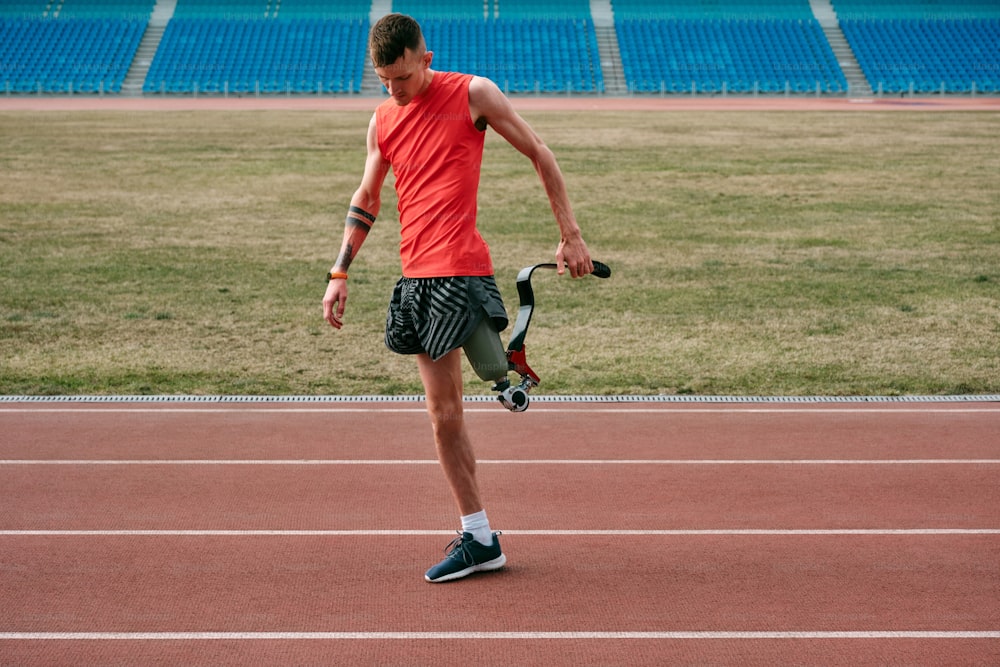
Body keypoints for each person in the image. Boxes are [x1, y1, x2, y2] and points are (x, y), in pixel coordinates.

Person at [322, 13, 593, 583]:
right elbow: (367, 196)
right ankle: (479, 537)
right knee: (443, 416)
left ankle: (506, 377)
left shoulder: (472, 92)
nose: (394, 89)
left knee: (469, 398)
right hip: (416, 276)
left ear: (425, 57)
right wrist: (339, 272)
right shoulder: (381, 119)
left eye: (402, 77)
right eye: (384, 80)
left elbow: (540, 152)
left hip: (460, 269)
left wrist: (570, 234)